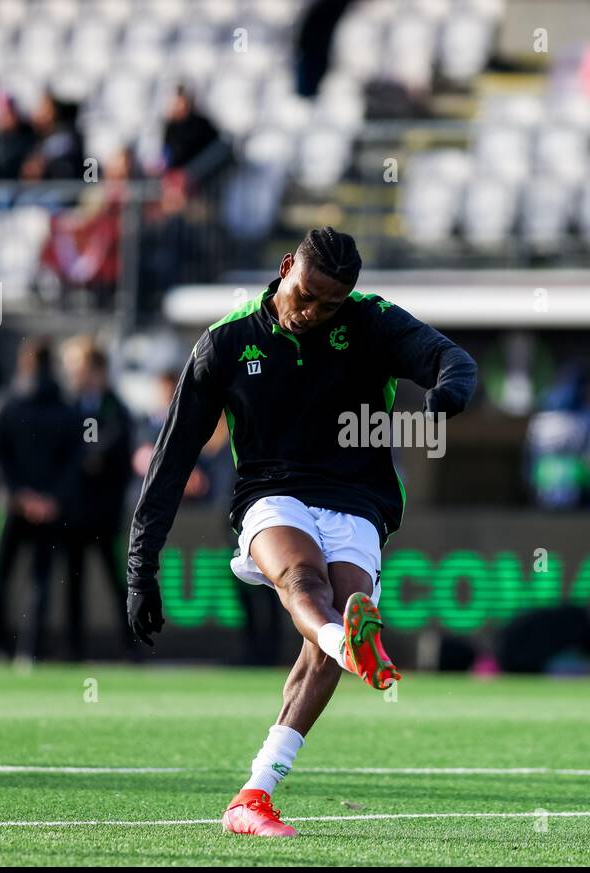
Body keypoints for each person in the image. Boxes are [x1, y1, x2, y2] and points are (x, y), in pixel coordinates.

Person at [127, 227, 477, 836]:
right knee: (303, 579)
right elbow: (171, 459)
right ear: (286, 267)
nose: (312, 313)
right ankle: (350, 645)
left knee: (334, 622)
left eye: (329, 305)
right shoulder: (227, 341)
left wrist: (447, 397)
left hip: (357, 500)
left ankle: (253, 796)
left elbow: (454, 359)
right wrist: (141, 568)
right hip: (270, 494)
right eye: (306, 294)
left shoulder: (372, 321)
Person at [0, 338, 80, 660]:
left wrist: (17, 494)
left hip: (8, 506)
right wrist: (49, 499)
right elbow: (74, 459)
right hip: (47, 510)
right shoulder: (65, 408)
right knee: (40, 582)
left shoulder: (5, 402)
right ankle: (29, 651)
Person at [61, 338, 133, 660]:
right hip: (75, 512)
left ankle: (130, 646)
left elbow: (112, 449)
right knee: (73, 581)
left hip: (105, 512)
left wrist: (91, 458)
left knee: (116, 578)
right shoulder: (70, 405)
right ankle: (73, 648)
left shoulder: (114, 407)